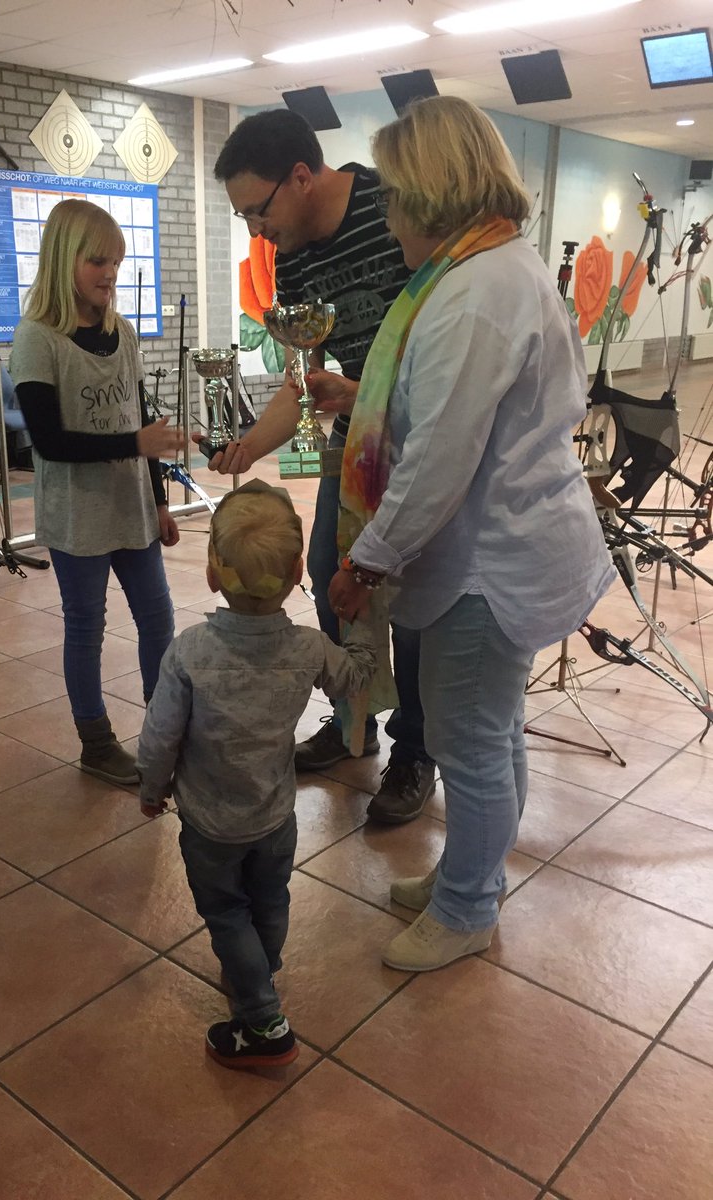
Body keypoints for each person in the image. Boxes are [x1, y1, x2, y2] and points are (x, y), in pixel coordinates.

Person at [328, 96, 616, 973]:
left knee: (472, 743)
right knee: (493, 731)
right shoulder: (494, 268)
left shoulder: (474, 292)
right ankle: (474, 879)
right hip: (504, 549)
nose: (387, 216)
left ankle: (466, 910)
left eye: (392, 195)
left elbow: (437, 461)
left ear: (431, 190)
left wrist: (365, 562)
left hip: (487, 565)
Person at [204, 109, 434, 825]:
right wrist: (250, 445)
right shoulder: (295, 255)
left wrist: (364, 393)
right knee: (332, 576)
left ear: (301, 177)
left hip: (423, 435)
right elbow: (303, 382)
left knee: (412, 600)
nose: (255, 231)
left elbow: (440, 358)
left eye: (257, 210)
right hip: (355, 439)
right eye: (243, 217)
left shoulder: (396, 208)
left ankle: (415, 749)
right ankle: (351, 719)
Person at [137, 479, 376, 1069]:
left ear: (212, 573)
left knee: (225, 913)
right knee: (270, 903)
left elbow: (160, 736)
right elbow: (354, 677)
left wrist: (151, 787)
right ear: (298, 572)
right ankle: (258, 970)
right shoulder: (310, 649)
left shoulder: (189, 652)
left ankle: (264, 1021)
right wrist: (364, 630)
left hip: (210, 825)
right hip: (274, 817)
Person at [10, 199, 184, 787]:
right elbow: (49, 442)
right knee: (86, 626)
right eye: (97, 262)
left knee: (158, 618)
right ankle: (97, 743)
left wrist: (159, 501)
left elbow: (141, 421)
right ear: (64, 259)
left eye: (116, 262)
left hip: (132, 506)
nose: (110, 274)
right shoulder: (37, 338)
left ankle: (163, 732)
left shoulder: (121, 331)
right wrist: (136, 442)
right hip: (78, 513)